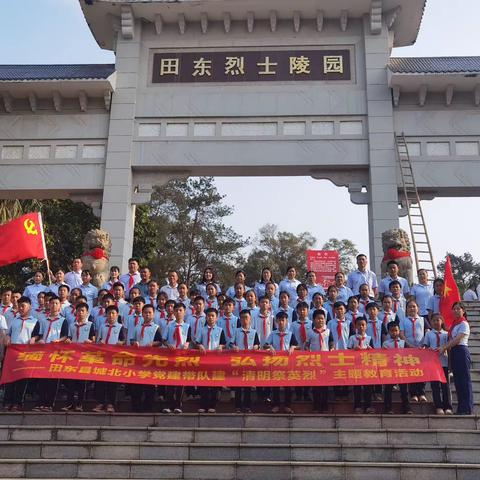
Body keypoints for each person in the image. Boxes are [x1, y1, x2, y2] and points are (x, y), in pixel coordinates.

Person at [3, 296, 39, 411]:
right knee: (10, 378)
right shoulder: (14, 320)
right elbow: (8, 333)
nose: (21, 308)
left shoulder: (35, 321)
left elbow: (38, 335)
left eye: (23, 306)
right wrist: (7, 338)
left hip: (25, 354)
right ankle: (7, 402)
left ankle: (18, 402)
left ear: (29, 307)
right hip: (12, 353)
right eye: (19, 306)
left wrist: (34, 338)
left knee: (22, 379)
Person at [34, 296, 69, 412]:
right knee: (42, 378)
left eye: (56, 303)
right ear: (48, 305)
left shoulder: (63, 320)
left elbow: (65, 335)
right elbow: (38, 334)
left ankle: (49, 404)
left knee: (53, 379)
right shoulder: (43, 320)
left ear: (60, 306)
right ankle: (40, 403)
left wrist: (59, 341)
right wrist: (38, 340)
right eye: (52, 303)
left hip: (56, 353)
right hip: (44, 352)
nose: (54, 305)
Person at [439, 302, 474, 415]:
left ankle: (467, 408)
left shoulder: (464, 323)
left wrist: (444, 347)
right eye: (454, 309)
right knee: (458, 382)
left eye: (458, 309)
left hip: (461, 351)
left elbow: (457, 339)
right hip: (454, 352)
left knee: (464, 381)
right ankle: (461, 408)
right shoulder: (454, 324)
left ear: (463, 311)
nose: (456, 311)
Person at [63, 302, 95, 412]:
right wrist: (68, 341)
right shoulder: (72, 325)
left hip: (85, 356)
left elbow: (94, 339)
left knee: (82, 382)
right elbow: (69, 337)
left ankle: (80, 404)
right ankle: (69, 403)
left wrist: (90, 341)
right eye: (79, 311)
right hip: (72, 356)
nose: (80, 313)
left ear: (87, 313)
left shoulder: (91, 325)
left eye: (83, 311)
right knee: (71, 381)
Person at [264, 311, 298, 414]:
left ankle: (287, 406)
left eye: (283, 320)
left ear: (287, 321)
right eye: (279, 321)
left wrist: (293, 347)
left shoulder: (290, 334)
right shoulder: (273, 334)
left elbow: (297, 346)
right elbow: (265, 345)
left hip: (287, 363)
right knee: (276, 386)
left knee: (288, 385)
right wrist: (270, 346)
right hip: (276, 363)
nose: (281, 322)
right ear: (276, 321)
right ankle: (276, 405)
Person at [93, 305, 126, 413]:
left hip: (114, 358)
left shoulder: (120, 327)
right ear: (106, 315)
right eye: (109, 313)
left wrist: (120, 343)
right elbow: (98, 340)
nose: (111, 315)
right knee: (100, 382)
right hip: (103, 357)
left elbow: (123, 341)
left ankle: (111, 403)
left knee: (112, 382)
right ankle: (100, 402)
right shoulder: (102, 326)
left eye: (113, 313)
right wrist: (100, 342)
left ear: (117, 315)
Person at [130, 304, 162, 412]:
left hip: (151, 360)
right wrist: (134, 343)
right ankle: (136, 407)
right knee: (136, 385)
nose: (147, 315)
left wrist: (153, 343)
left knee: (149, 385)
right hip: (138, 360)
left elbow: (160, 341)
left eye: (150, 313)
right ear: (142, 314)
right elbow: (132, 340)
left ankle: (148, 407)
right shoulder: (137, 327)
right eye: (145, 313)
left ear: (153, 314)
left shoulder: (156, 327)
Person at [194, 307, 226, 413]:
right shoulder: (201, 330)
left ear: (216, 318)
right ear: (206, 317)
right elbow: (196, 342)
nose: (210, 318)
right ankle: (203, 405)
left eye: (213, 316)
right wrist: (199, 346)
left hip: (216, 360)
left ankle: (213, 405)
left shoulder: (220, 330)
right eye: (208, 316)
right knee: (204, 383)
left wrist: (221, 346)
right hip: (204, 359)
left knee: (214, 383)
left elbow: (224, 343)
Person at [163, 302, 191, 413]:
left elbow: (189, 339)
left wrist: (187, 344)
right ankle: (169, 404)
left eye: (181, 310)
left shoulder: (187, 326)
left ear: (184, 312)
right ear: (173, 312)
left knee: (180, 381)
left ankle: (178, 405)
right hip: (171, 355)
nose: (178, 313)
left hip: (183, 357)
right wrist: (168, 344)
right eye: (176, 310)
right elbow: (164, 339)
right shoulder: (169, 326)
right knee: (170, 381)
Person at [230, 309, 260, 413]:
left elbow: (257, 344)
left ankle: (247, 406)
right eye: (242, 318)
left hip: (249, 362)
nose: (244, 320)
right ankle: (237, 406)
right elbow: (231, 343)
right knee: (238, 385)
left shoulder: (254, 332)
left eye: (246, 317)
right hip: (238, 361)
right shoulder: (236, 331)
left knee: (247, 385)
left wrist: (256, 346)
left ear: (250, 319)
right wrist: (234, 346)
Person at [423, 313, 452, 415]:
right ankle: (438, 406)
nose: (436, 322)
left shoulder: (446, 334)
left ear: (442, 321)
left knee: (445, 386)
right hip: (433, 364)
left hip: (444, 362)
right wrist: (428, 349)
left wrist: (450, 364)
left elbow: (449, 348)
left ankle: (448, 406)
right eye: (434, 320)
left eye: (438, 320)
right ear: (431, 322)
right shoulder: (429, 334)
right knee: (435, 386)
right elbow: (425, 346)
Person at [400, 300, 427, 403]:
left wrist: (424, 343)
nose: (412, 308)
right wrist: (408, 344)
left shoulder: (423, 319)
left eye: (414, 306)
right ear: (406, 309)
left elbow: (427, 331)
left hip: (421, 349)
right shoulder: (403, 320)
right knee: (411, 371)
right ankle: (414, 393)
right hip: (409, 349)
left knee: (421, 371)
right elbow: (401, 334)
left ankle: (422, 393)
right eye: (410, 307)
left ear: (418, 308)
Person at [382, 322, 413, 414]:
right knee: (388, 390)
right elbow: (384, 357)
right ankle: (388, 408)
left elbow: (409, 355)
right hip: (390, 369)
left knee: (404, 390)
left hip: (402, 369)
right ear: (389, 332)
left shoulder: (403, 343)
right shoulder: (386, 344)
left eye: (396, 330)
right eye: (392, 331)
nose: (394, 333)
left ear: (399, 331)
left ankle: (407, 408)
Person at [306, 309, 333, 413]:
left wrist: (332, 349)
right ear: (313, 320)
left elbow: (331, 342)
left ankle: (324, 406)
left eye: (322, 318)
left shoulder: (328, 331)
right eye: (318, 318)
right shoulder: (310, 332)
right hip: (314, 361)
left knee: (325, 386)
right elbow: (307, 345)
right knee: (316, 386)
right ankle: (316, 407)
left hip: (325, 361)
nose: (320, 320)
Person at [348, 317, 375, 414]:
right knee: (357, 388)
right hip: (356, 366)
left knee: (368, 387)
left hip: (367, 366)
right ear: (355, 326)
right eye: (359, 324)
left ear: (366, 326)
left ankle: (368, 406)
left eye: (363, 325)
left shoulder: (369, 338)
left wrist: (370, 349)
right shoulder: (352, 338)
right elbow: (347, 352)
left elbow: (373, 352)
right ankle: (357, 406)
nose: (361, 327)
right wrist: (353, 350)